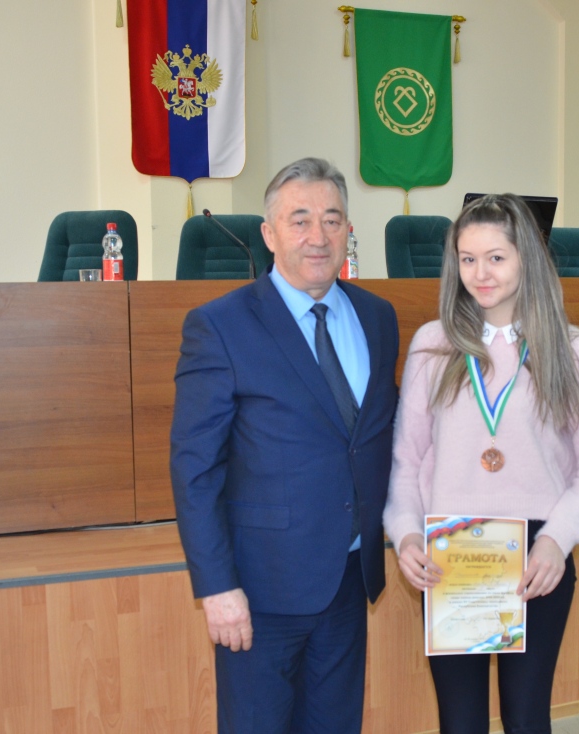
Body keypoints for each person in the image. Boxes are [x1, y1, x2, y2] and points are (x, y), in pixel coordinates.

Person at [170, 158, 400, 734]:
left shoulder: (378, 317)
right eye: (299, 221)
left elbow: (378, 438)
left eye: (332, 220)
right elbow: (195, 469)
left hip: (348, 579)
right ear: (269, 234)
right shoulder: (220, 325)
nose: (317, 236)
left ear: (348, 230)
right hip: (260, 590)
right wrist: (217, 586)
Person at [383, 193, 579, 734]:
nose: (480, 273)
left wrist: (556, 541)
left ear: (525, 259)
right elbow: (406, 459)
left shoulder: (573, 350)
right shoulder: (433, 345)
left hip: (537, 555)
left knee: (526, 718)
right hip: (451, 552)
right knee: (460, 722)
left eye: (496, 257)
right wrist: (407, 535)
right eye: (468, 259)